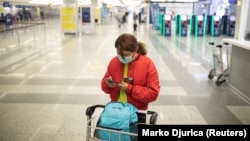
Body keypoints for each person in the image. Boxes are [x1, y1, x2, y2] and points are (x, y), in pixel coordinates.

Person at [101, 33, 160, 123]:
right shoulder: (114, 62)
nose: (121, 57)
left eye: (125, 55)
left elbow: (153, 93)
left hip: (137, 113)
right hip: (116, 111)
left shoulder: (147, 64)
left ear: (135, 51)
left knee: (134, 137)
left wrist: (131, 89)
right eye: (118, 54)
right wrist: (107, 84)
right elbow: (104, 86)